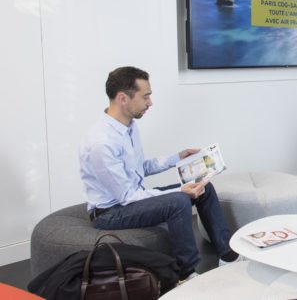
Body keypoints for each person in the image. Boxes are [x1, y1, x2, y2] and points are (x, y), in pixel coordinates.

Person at [79, 66, 240, 282]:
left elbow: (140, 167)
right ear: (122, 98)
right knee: (179, 200)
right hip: (110, 212)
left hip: (130, 199)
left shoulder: (128, 126)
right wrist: (180, 190)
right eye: (146, 96)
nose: (150, 103)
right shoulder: (101, 143)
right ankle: (186, 273)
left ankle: (228, 256)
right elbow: (128, 197)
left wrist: (178, 157)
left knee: (204, 187)